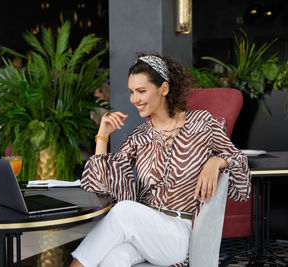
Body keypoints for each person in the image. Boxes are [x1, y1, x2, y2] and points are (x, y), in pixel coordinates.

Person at [69, 53, 251, 267]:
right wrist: (102, 136)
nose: (134, 99)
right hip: (141, 229)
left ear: (164, 89)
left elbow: (239, 162)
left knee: (124, 211)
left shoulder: (201, 123)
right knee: (113, 259)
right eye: (131, 92)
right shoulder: (139, 136)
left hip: (177, 233)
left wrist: (217, 162)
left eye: (141, 91)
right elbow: (99, 184)